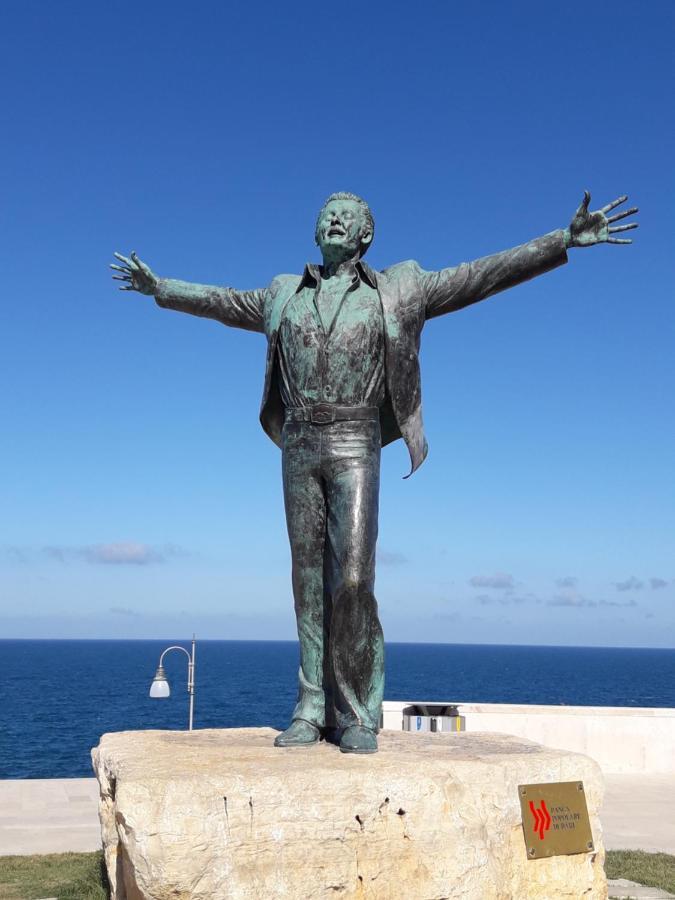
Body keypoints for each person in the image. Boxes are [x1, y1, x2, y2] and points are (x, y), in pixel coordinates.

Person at [111, 190, 637, 753]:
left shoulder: (399, 289)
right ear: (316, 231)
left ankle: (357, 710)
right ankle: (312, 707)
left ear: (365, 237)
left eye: (349, 218)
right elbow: (221, 302)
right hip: (299, 442)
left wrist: (560, 240)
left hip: (357, 438)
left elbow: (478, 277)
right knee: (307, 581)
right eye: (327, 215)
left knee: (355, 578)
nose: (336, 220)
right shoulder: (283, 294)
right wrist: (160, 288)